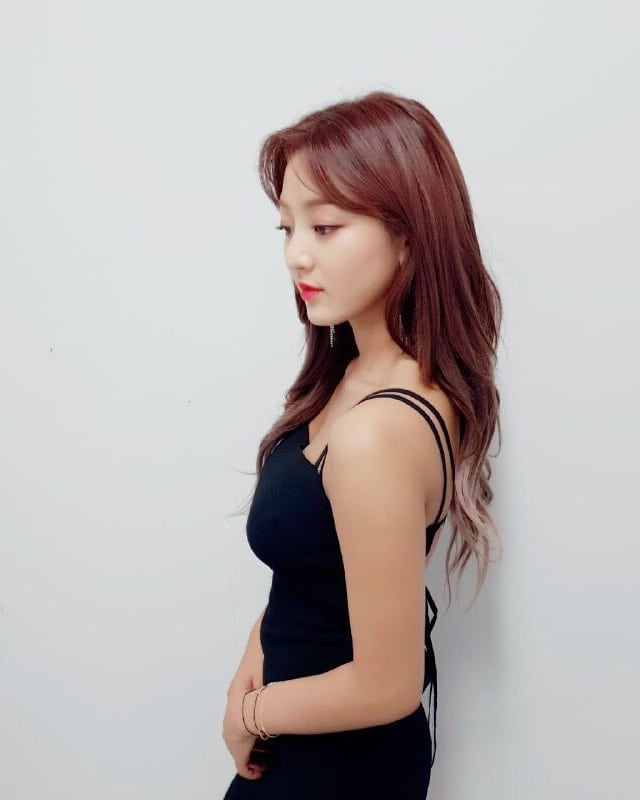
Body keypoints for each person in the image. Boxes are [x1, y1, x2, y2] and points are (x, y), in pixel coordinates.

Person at [221, 89, 502, 799]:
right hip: (302, 743)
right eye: (287, 228)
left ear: (408, 235)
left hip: (337, 769)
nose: (297, 255)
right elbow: (319, 571)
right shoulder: (351, 376)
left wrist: (249, 714)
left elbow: (386, 685)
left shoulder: (380, 430)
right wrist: (255, 655)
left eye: (326, 227)